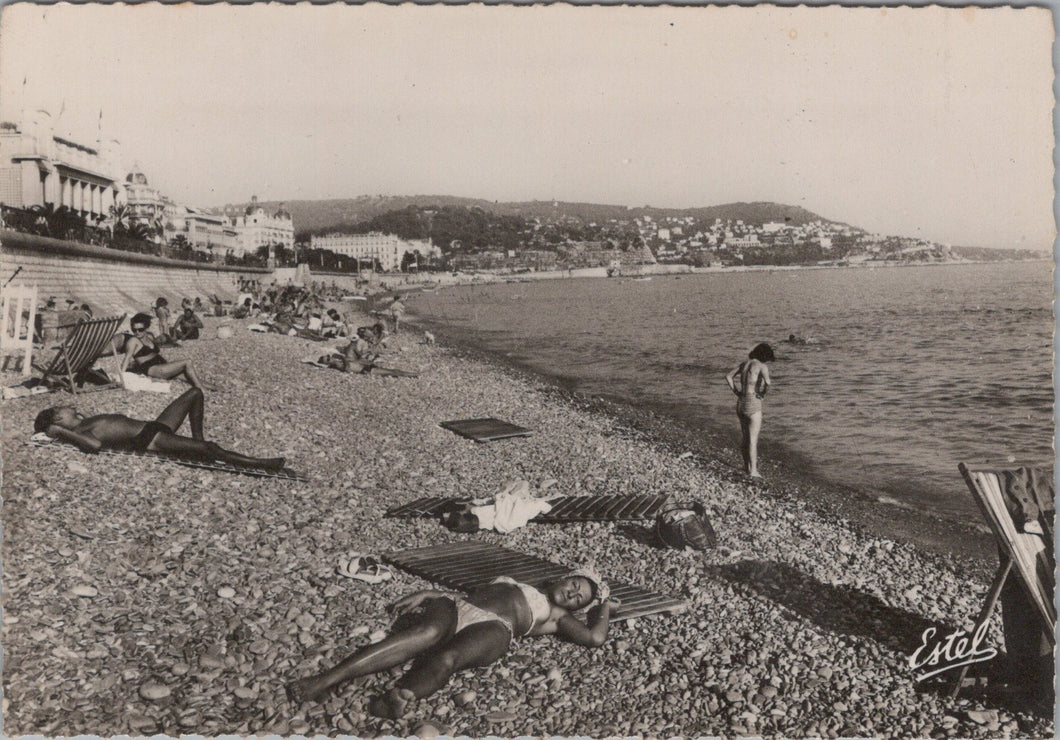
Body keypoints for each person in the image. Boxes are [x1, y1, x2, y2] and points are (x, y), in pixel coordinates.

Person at [285, 568, 615, 717]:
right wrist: (431, 593)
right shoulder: (520, 580)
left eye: (579, 599)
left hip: (496, 627)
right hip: (457, 607)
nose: (572, 593)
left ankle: (400, 695)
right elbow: (473, 594)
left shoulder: (557, 616)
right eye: (575, 584)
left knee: (448, 658)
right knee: (424, 634)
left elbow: (595, 637)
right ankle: (325, 680)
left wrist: (605, 609)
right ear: (564, 577)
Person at [34, 387, 285, 470]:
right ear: (58, 420)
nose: (70, 406)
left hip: (154, 426)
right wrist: (61, 433)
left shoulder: (84, 422)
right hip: (149, 439)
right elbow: (95, 446)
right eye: (63, 408)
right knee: (211, 448)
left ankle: (198, 441)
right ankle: (259, 463)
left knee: (195, 393)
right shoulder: (79, 433)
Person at [725, 342, 775, 478]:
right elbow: (768, 383)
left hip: (741, 402)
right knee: (753, 440)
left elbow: (728, 376)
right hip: (753, 402)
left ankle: (746, 466)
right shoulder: (761, 366)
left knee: (745, 437)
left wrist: (736, 391)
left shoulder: (744, 364)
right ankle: (753, 471)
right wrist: (763, 393)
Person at [121, 312, 206, 388]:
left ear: (146, 328)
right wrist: (122, 376)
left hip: (163, 366)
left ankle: (212, 388)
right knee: (187, 362)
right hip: (156, 370)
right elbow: (127, 358)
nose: (137, 332)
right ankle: (201, 389)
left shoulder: (149, 337)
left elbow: (154, 351)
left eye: (140, 330)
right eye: (134, 330)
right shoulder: (133, 341)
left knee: (192, 378)